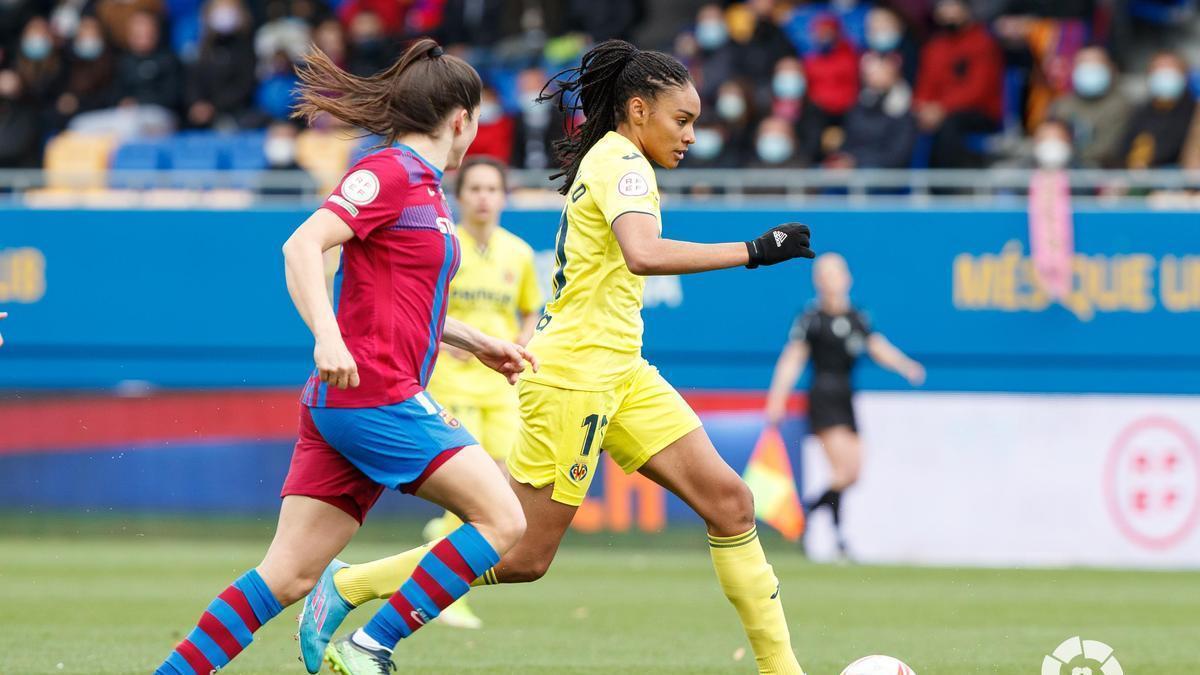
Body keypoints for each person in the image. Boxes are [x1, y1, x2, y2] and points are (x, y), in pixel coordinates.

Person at [300, 39, 816, 675]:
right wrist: (755, 249)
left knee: (731, 503)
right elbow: (644, 253)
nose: (690, 136)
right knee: (521, 554)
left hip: (622, 371)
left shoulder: (620, 158)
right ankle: (351, 589)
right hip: (573, 378)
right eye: (681, 121)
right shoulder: (624, 164)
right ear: (637, 109)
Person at [154, 38, 536, 675]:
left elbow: (403, 299)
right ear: (462, 119)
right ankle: (370, 646)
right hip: (376, 394)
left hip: (353, 401)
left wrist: (477, 341)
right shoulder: (388, 172)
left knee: (288, 575)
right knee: (503, 521)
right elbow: (301, 247)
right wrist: (326, 337)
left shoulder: (428, 192)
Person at [416, 157, 543, 630]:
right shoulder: (447, 248)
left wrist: (522, 343)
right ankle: (449, 592)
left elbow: (531, 310)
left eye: (493, 188)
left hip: (502, 386)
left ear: (504, 196)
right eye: (476, 188)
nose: (485, 197)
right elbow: (425, 305)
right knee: (475, 491)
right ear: (460, 196)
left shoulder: (518, 253)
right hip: (451, 383)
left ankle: (440, 543)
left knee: (503, 484)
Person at [764, 253, 925, 559]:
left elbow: (877, 347)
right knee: (842, 470)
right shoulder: (811, 319)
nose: (830, 280)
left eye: (835, 274)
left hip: (846, 395)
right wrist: (777, 398)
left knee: (853, 473)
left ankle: (811, 511)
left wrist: (906, 366)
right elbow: (792, 359)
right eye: (824, 275)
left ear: (847, 278)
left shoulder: (857, 318)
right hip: (823, 396)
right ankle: (835, 536)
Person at [914, 0, 1004, 168]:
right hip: (937, 112)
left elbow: (978, 90)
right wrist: (922, 107)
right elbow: (925, 85)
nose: (947, 12)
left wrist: (941, 108)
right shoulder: (934, 47)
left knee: (949, 125)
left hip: (978, 113)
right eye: (942, 7)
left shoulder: (982, 42)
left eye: (952, 5)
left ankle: (945, 189)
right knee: (904, 122)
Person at [1048, 46, 1132, 168]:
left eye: (1096, 65)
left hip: (1106, 172)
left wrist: (1073, 156)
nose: (1089, 70)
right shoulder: (1061, 105)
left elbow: (1110, 149)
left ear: (1111, 68)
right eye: (1084, 64)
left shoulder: (1122, 106)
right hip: (1063, 172)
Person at [1118, 51, 1199, 169]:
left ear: (1185, 75)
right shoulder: (1141, 111)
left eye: (1171, 70)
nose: (1165, 76)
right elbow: (1123, 147)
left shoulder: (1194, 111)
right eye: (1159, 70)